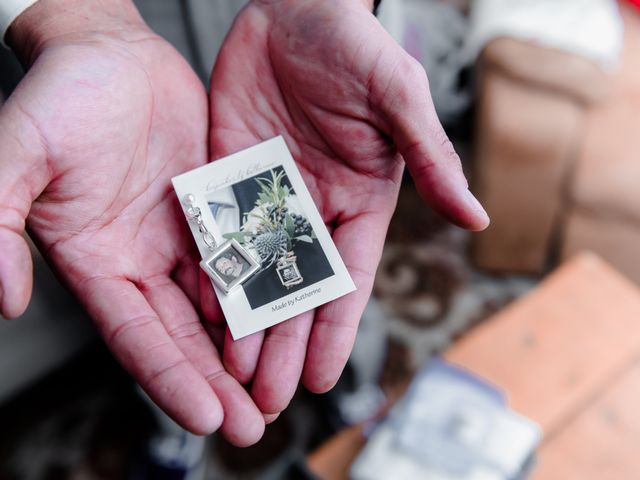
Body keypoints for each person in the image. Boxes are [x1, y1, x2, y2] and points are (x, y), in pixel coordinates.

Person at [0, 0, 489, 447]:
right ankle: (175, 431)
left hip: (292, 48)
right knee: (157, 307)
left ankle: (355, 388)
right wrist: (74, 22)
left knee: (335, 287)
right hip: (116, 49)